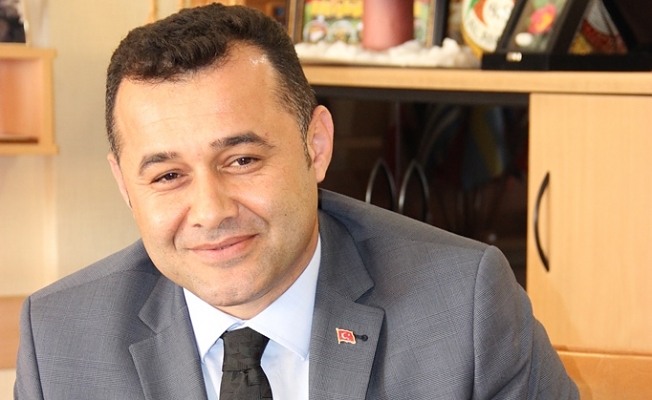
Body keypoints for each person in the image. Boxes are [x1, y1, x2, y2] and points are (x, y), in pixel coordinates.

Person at [14, 4, 578, 399]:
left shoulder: (463, 309)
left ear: (317, 146)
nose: (210, 211)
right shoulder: (60, 339)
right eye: (167, 175)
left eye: (241, 160)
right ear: (124, 185)